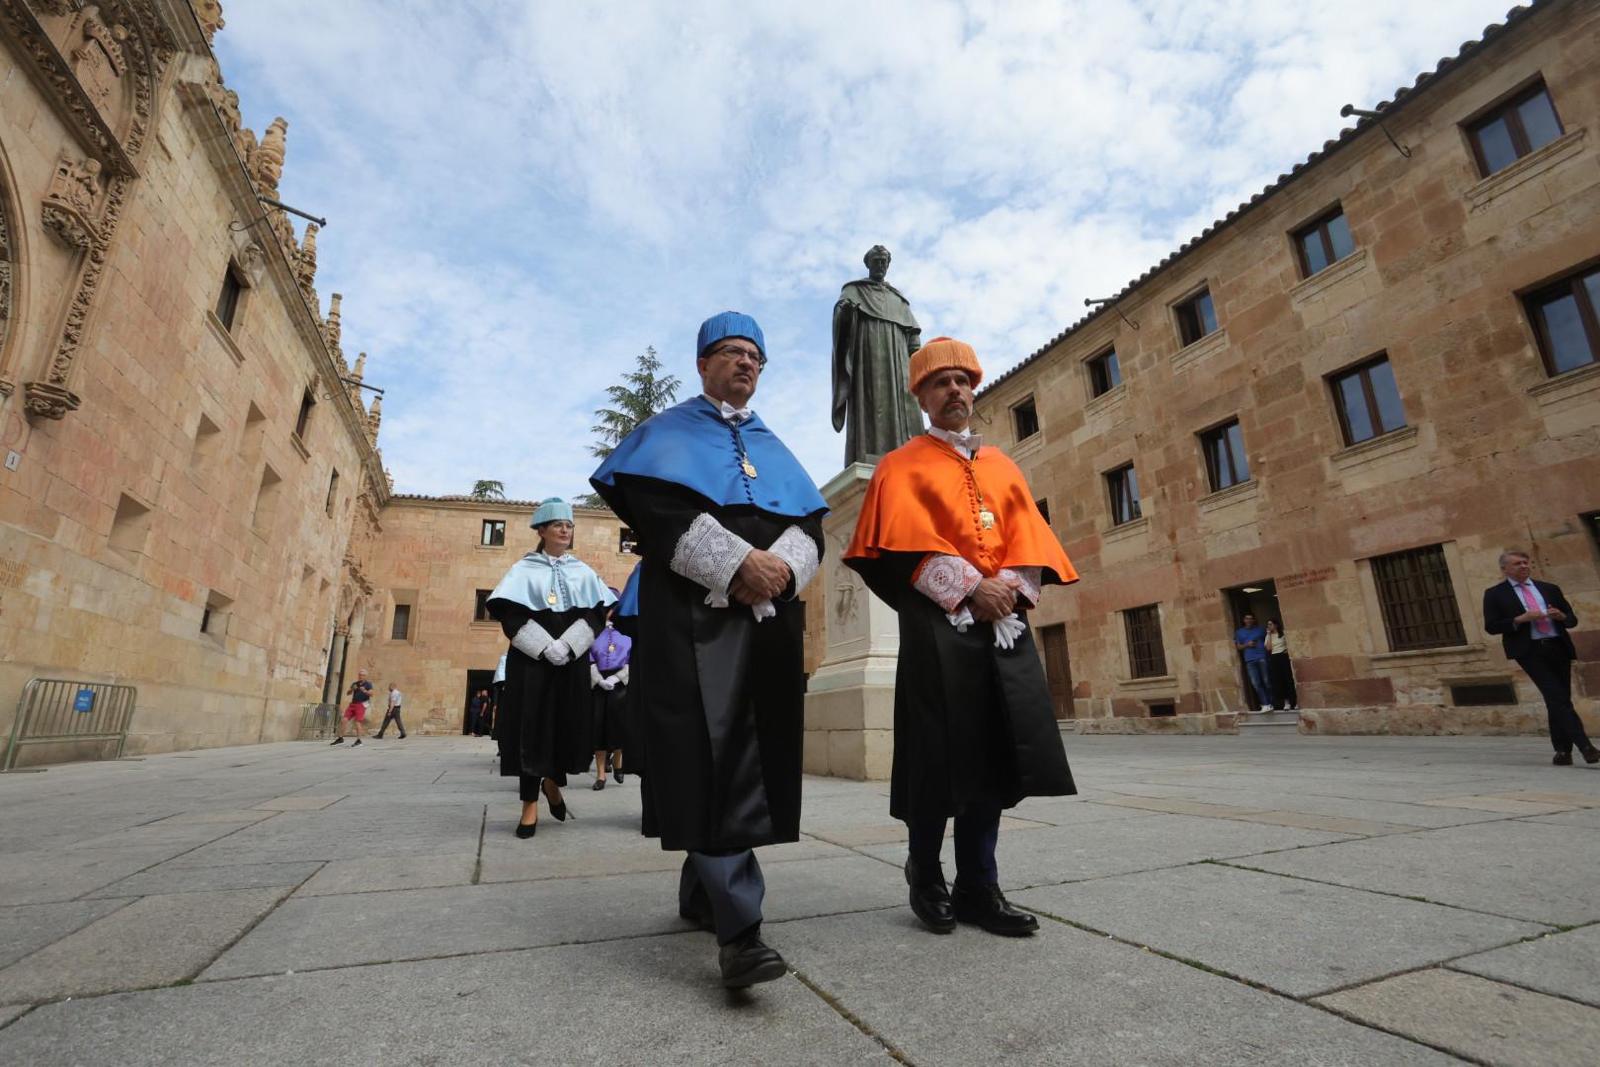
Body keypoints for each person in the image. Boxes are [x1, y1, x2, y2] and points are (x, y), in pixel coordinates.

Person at [590, 311, 825, 989]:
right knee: (708, 751)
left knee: (749, 757)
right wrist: (734, 562)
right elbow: (657, 512)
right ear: (702, 363)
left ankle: (704, 890)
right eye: (731, 352)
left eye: (756, 355)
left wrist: (782, 566)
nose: (746, 363)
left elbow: (809, 521)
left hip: (768, 621)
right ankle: (741, 935)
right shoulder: (667, 433)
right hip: (692, 623)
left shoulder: (771, 443)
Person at [844, 337, 1078, 938]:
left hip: (1004, 628)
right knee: (936, 758)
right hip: (940, 630)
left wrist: (1009, 587)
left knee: (997, 755)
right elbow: (893, 554)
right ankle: (926, 872)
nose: (956, 391)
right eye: (942, 382)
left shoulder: (1003, 465)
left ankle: (980, 883)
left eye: (964, 381)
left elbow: (1031, 536)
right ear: (920, 395)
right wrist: (971, 587)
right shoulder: (900, 466)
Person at [487, 498, 617, 837]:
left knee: (566, 726)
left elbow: (597, 613)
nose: (564, 529)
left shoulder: (583, 571)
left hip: (571, 661)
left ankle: (553, 782)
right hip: (532, 662)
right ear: (541, 530)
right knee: (532, 729)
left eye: (569, 525)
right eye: (557, 524)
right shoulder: (522, 569)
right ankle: (529, 804)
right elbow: (510, 615)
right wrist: (545, 647)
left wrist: (570, 645)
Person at [1483, 550, 1596, 766]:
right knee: (1557, 696)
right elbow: (1491, 626)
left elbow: (1571, 619)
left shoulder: (1549, 589)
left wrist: (1561, 616)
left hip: (1558, 646)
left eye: (1526, 562)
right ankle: (1586, 747)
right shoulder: (1495, 594)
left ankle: (1562, 752)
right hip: (1530, 651)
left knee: (1558, 699)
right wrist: (1520, 619)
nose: (1524, 566)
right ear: (1505, 569)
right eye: (1517, 564)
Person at [831, 245, 927, 467]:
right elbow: (841, 319)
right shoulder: (854, 291)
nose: (881, 265)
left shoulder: (898, 300)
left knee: (903, 401)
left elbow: (914, 340)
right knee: (873, 400)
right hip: (869, 356)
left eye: (884, 261)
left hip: (899, 362)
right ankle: (872, 450)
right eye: (876, 261)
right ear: (868, 264)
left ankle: (906, 451)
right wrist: (845, 312)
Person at [589, 602, 632, 790]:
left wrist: (617, 678)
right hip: (599, 684)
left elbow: (633, 660)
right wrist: (598, 680)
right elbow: (588, 660)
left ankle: (618, 762)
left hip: (620, 684)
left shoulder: (628, 633)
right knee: (598, 728)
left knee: (619, 726)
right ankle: (600, 775)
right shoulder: (593, 633)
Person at [1234, 613, 1273, 712]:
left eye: (1251, 619)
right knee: (1256, 683)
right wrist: (1247, 644)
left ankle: (1271, 703)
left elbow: (1270, 638)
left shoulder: (1260, 629)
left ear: (1254, 620)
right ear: (1244, 620)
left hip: (1262, 657)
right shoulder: (1239, 632)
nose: (1249, 620)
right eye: (1247, 618)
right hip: (1250, 660)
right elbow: (1238, 647)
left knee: (1267, 681)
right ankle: (1265, 704)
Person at [332, 668, 373, 747]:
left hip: (361, 705)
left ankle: (359, 740)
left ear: (365, 676)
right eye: (360, 675)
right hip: (352, 704)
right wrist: (352, 689)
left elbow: (371, 694)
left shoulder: (368, 684)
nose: (361, 676)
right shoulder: (355, 683)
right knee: (344, 720)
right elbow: (348, 693)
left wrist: (365, 691)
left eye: (363, 675)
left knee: (357, 722)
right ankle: (340, 738)